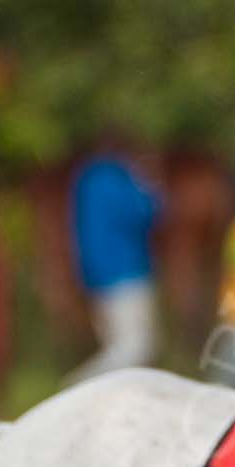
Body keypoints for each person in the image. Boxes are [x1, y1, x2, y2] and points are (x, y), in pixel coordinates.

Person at [66, 137, 162, 384]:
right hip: (126, 270)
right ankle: (76, 389)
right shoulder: (118, 177)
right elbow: (145, 211)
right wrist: (150, 187)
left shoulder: (85, 178)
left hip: (94, 276)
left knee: (117, 347)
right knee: (136, 348)